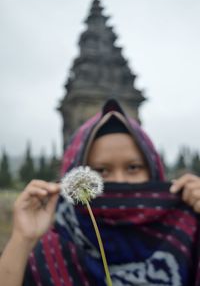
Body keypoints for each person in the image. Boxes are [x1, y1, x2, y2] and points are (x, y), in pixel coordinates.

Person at [1, 99, 200, 286]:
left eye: (133, 168)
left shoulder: (189, 229)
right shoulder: (50, 243)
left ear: (153, 170)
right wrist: (22, 239)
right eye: (101, 171)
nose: (119, 181)